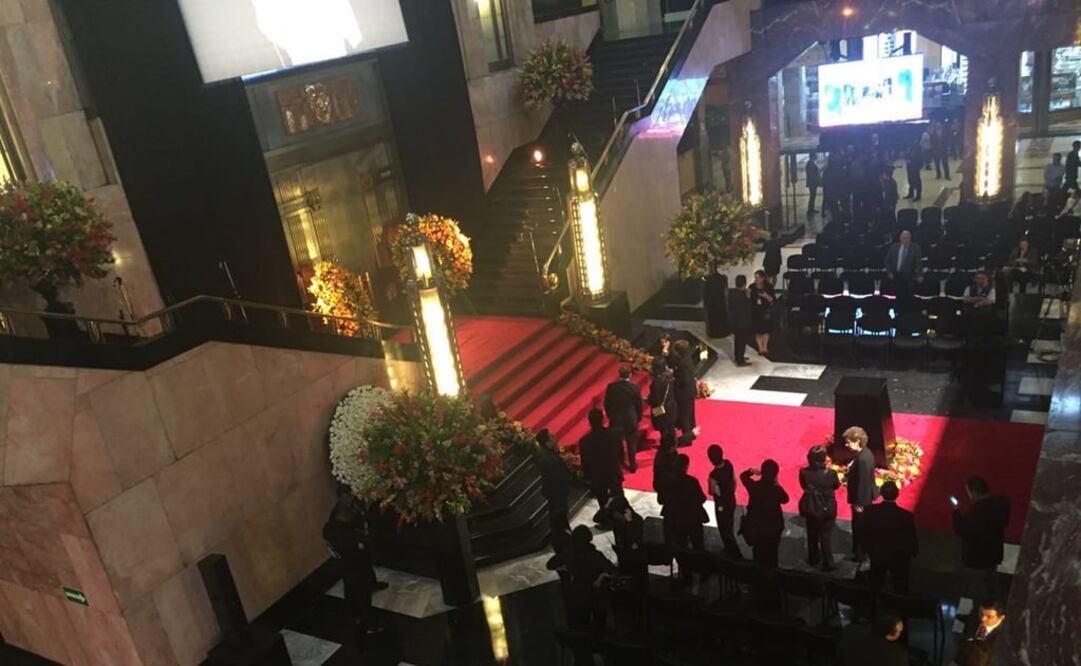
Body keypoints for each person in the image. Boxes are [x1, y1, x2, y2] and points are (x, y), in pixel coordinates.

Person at [323, 487, 384, 640]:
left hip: (354, 564)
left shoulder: (341, 522)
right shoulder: (344, 535)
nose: (350, 497)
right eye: (347, 495)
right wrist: (362, 545)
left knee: (355, 585)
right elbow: (355, 550)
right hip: (353, 566)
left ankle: (355, 614)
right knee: (361, 592)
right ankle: (368, 623)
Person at [952, 476, 1010, 603]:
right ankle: (994, 604)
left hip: (976, 558)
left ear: (974, 492)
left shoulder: (976, 513)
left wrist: (956, 512)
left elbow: (962, 531)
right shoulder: (1002, 503)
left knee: (976, 590)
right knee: (991, 581)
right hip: (994, 553)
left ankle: (978, 611)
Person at [547, 525, 615, 631]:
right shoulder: (594, 555)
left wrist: (565, 568)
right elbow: (611, 569)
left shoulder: (568, 553)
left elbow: (550, 564)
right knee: (599, 622)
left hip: (577, 594)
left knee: (582, 624)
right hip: (595, 595)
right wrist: (601, 577)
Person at [863, 481, 918, 592]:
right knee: (900, 585)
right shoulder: (906, 516)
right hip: (898, 556)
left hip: (877, 553)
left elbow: (865, 532)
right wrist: (914, 551)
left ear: (881, 493)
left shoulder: (870, 511)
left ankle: (873, 604)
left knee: (875, 584)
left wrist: (865, 549)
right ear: (897, 494)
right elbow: (910, 536)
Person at [739, 459, 789, 568]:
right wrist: (776, 483)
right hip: (773, 527)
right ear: (775, 475)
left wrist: (752, 471)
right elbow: (786, 499)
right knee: (772, 554)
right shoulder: (776, 490)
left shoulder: (754, 486)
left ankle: (758, 577)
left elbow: (743, 476)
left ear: (762, 472)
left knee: (757, 552)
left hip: (757, 526)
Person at [798, 445, 840, 571]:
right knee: (825, 536)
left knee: (812, 534)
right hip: (828, 508)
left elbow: (803, 486)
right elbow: (836, 486)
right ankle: (828, 563)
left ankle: (813, 558)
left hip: (812, 507)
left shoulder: (803, 473)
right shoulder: (831, 473)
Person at [578, 408, 623, 524]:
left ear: (589, 422)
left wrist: (588, 477)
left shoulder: (584, 441)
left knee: (602, 501)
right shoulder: (614, 434)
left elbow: (585, 462)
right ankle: (622, 518)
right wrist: (619, 467)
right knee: (618, 497)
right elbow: (620, 453)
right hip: (613, 472)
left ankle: (607, 522)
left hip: (597, 477)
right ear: (603, 420)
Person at [661, 453, 707, 551]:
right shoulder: (692, 481)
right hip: (691, 519)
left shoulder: (667, 481)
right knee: (698, 546)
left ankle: (682, 564)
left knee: (680, 546)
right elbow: (702, 498)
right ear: (686, 466)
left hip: (674, 519)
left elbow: (661, 500)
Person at [844, 426, 878, 560]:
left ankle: (859, 553)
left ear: (857, 441)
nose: (846, 445)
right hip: (863, 499)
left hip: (861, 502)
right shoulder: (866, 454)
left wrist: (859, 504)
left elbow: (862, 484)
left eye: (848, 442)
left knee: (859, 528)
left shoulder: (862, 460)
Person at [534, 429, 571, 548]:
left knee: (559, 516)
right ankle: (562, 539)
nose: (555, 437)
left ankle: (563, 536)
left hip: (554, 491)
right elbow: (557, 476)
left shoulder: (546, 453)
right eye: (551, 437)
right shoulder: (548, 459)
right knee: (559, 516)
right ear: (547, 443)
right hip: (556, 492)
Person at [603, 366, 643, 472]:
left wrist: (610, 415)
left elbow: (607, 404)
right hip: (631, 419)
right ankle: (632, 464)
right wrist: (638, 418)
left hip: (616, 419)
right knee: (632, 444)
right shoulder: (635, 388)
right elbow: (639, 405)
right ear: (630, 375)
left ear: (619, 374)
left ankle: (620, 463)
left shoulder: (611, 387)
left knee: (617, 443)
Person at [707, 444, 742, 558]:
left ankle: (733, 552)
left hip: (721, 505)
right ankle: (731, 549)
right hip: (731, 500)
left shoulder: (713, 475)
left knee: (724, 528)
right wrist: (730, 493)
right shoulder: (728, 464)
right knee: (729, 526)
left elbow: (712, 491)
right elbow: (734, 480)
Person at [838, 613, 909, 666]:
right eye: (899, 631)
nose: (900, 633)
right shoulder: (898, 656)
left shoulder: (850, 631)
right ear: (889, 636)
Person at [951, 600, 1006, 666]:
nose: (983, 619)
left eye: (989, 616)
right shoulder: (973, 619)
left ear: (1001, 618)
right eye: (981, 614)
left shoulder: (1004, 637)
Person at [608, 495, 647, 586]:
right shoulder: (616, 522)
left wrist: (629, 523)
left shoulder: (637, 521)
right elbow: (597, 518)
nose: (613, 515)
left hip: (636, 559)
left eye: (615, 512)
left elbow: (634, 542)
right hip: (623, 556)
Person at [671, 339, 698, 446]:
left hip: (684, 393)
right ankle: (692, 432)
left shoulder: (681, 363)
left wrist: (674, 381)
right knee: (690, 413)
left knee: (684, 416)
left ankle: (687, 438)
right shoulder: (687, 359)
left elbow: (683, 380)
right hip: (690, 391)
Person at [648, 356, 678, 451]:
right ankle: (674, 443)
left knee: (663, 428)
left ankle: (666, 446)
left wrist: (648, 400)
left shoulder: (656, 382)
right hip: (671, 406)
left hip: (663, 408)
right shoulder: (670, 377)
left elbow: (656, 399)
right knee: (671, 426)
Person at [884, 230, 922, 297]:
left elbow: (918, 263)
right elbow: (887, 261)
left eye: (908, 238)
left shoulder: (916, 248)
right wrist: (889, 272)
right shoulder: (894, 247)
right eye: (904, 238)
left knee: (908, 295)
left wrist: (919, 275)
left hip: (909, 276)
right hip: (895, 275)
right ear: (900, 238)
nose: (906, 240)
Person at [728, 274, 754, 367]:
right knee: (742, 341)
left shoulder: (731, 293)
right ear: (744, 283)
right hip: (743, 322)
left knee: (737, 340)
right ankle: (740, 360)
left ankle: (738, 356)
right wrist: (748, 297)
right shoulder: (744, 296)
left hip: (734, 321)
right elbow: (748, 309)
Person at [749, 270, 775, 360]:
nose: (756, 279)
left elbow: (773, 301)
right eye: (755, 278)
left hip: (765, 310)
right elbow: (749, 300)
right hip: (756, 311)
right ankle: (760, 348)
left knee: (766, 329)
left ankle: (765, 347)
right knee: (758, 330)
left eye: (758, 278)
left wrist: (766, 296)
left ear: (763, 278)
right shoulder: (752, 287)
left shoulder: (769, 287)